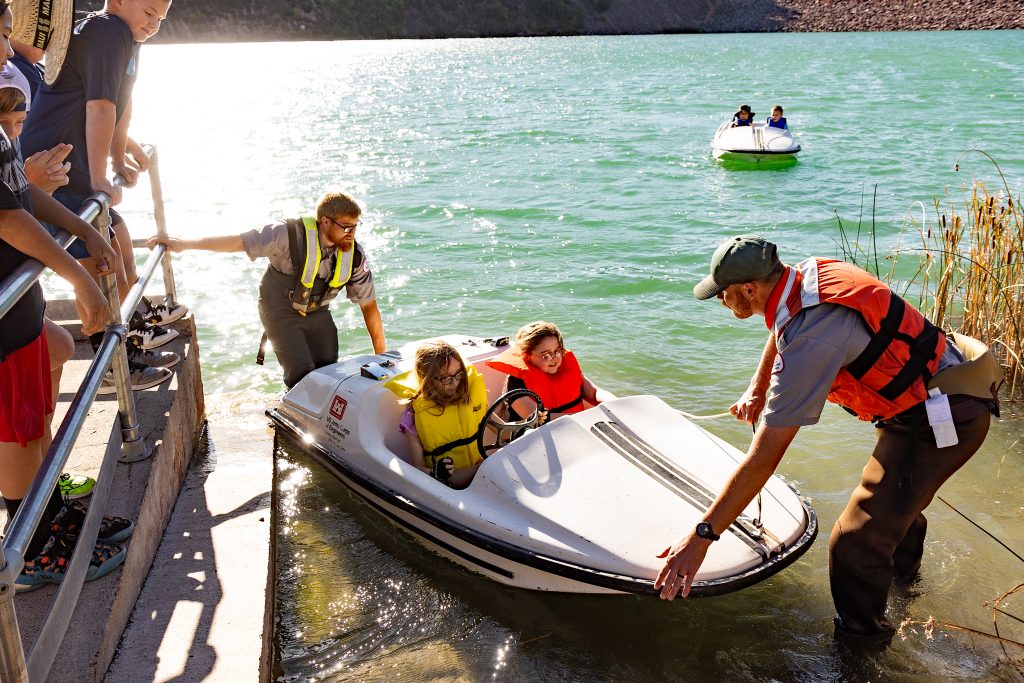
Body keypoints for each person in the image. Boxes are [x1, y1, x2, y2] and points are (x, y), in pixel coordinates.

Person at [655, 235, 999, 643]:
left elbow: (763, 460)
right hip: (936, 386)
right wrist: (758, 385)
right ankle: (907, 585)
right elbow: (783, 325)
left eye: (724, 294)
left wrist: (701, 538)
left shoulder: (810, 341)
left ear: (750, 288)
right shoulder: (809, 274)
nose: (721, 301)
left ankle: (862, 649)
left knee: (853, 546)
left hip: (945, 415)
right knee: (891, 510)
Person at [0, 0, 131, 591]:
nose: (7, 53)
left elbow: (20, 196)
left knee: (52, 349)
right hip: (4, 313)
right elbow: (9, 220)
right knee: (18, 429)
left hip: (20, 311)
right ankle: (26, 555)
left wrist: (85, 232)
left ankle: (45, 507)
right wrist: (78, 277)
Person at [17, 0, 188, 361]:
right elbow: (99, 106)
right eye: (149, 13)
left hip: (72, 161)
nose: (155, 24)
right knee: (93, 266)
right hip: (53, 163)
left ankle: (128, 344)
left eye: (161, 19)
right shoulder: (107, 31)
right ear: (119, 1)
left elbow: (122, 101)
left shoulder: (126, 36)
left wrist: (116, 158)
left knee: (112, 250)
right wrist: (100, 179)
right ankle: (111, 365)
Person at [147, 191, 387, 388]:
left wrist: (382, 357)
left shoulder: (353, 255)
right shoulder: (286, 234)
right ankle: (297, 407)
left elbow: (369, 306)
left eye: (356, 226)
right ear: (325, 221)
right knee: (302, 373)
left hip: (318, 311)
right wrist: (184, 244)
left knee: (328, 368)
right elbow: (239, 242)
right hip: (279, 309)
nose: (352, 234)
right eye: (346, 227)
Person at [394, 341, 488, 489]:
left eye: (458, 374)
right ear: (427, 378)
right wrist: (435, 472)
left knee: (490, 466)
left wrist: (524, 426)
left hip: (477, 466)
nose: (455, 383)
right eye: (446, 378)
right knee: (484, 468)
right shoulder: (414, 413)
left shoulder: (469, 397)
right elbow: (417, 466)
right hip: (448, 480)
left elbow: (498, 426)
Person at [485, 320, 614, 420]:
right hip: (534, 439)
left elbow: (593, 392)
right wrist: (584, 419)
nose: (554, 358)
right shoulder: (516, 383)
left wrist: (615, 403)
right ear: (526, 355)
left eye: (557, 351)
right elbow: (537, 419)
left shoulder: (566, 368)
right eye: (545, 355)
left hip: (575, 429)